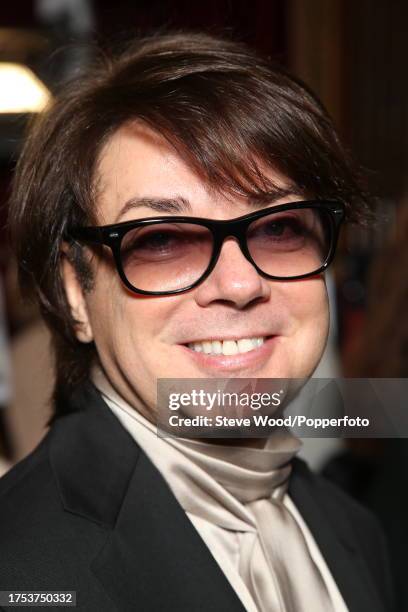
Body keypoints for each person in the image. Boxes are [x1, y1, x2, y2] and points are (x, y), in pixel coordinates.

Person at [0, 31, 394, 612]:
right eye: (161, 241)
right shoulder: (24, 570)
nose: (239, 284)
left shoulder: (353, 530)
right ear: (74, 293)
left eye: (280, 228)